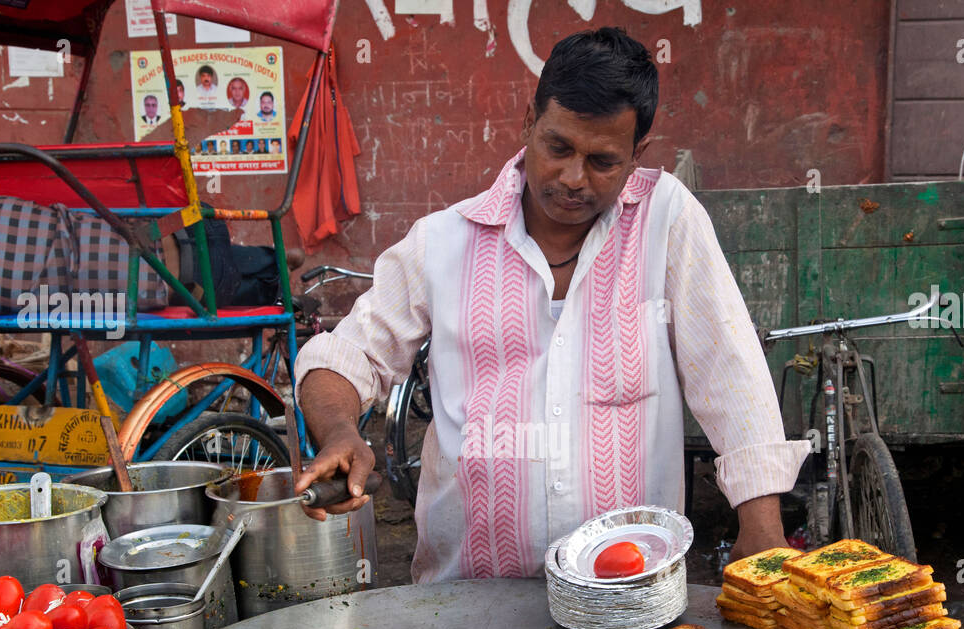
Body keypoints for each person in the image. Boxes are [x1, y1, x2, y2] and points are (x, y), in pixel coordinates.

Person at [294, 28, 809, 583]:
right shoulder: (441, 242)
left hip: (631, 596)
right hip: (469, 599)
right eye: (557, 147)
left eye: (602, 161)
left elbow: (729, 369)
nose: (572, 178)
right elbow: (345, 358)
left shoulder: (667, 221)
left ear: (638, 155)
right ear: (528, 123)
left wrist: (761, 526)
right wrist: (340, 431)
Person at [0, 196, 291, 320]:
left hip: (194, 285)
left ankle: (280, 268)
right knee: (264, 271)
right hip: (184, 229)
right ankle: (283, 260)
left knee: (260, 287)